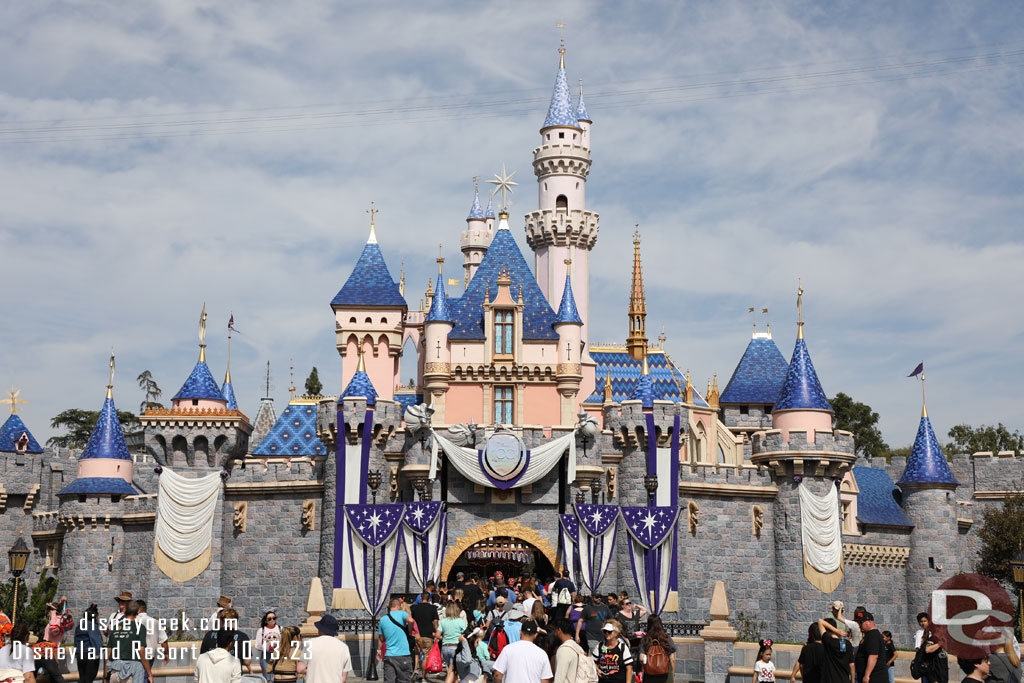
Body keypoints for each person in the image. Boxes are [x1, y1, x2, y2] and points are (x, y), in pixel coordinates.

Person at [104, 600, 154, 683]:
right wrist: (149, 674)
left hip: (115, 672)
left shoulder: (116, 627)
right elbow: (141, 651)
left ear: (125, 611)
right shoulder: (140, 628)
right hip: (131, 674)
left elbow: (108, 653)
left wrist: (106, 677)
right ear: (138, 612)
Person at [297, 615, 353, 683]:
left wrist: (311, 671)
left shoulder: (309, 643)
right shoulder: (344, 648)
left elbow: (300, 669)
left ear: (320, 629)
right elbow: (343, 679)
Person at [379, 597, 414, 683]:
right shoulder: (402, 613)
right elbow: (411, 620)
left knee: (389, 680)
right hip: (403, 655)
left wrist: (378, 650)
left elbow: (381, 638)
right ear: (398, 606)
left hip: (389, 655)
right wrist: (409, 631)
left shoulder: (383, 619)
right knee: (404, 680)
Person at [639, 615, 676, 683]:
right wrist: (673, 674)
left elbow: (641, 658)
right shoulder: (666, 639)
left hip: (649, 676)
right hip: (666, 676)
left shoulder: (645, 639)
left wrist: (648, 666)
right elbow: (672, 659)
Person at [818, 617, 856, 683]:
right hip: (844, 679)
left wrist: (836, 631)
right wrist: (853, 681)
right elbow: (852, 665)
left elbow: (820, 621)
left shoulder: (828, 641)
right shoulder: (846, 643)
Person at [411, 591, 439, 677]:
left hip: (417, 634)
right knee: (426, 656)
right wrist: (437, 634)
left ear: (421, 598)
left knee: (417, 653)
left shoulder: (414, 608)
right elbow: (435, 622)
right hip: (428, 635)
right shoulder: (433, 608)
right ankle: (423, 676)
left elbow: (411, 621)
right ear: (429, 599)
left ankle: (415, 669)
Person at [74, 604, 105, 683]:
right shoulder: (92, 626)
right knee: (89, 679)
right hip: (90, 656)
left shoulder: (79, 625)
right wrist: (98, 654)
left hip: (80, 655)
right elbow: (96, 641)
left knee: (82, 678)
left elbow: (76, 640)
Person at [855, 612, 889, 683]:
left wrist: (867, 675)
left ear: (869, 622)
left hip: (874, 677)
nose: (859, 625)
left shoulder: (873, 635)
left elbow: (873, 656)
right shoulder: (869, 635)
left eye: (861, 622)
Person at [552, 618, 588, 683]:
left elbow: (559, 677)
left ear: (559, 630)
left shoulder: (564, 649)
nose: (555, 633)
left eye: (555, 630)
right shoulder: (578, 647)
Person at [136, 600, 169, 668]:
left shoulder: (132, 621)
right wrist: (166, 654)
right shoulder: (156, 622)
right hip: (149, 655)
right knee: (146, 675)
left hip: (135, 656)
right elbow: (164, 641)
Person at [439, 602, 468, 671]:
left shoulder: (443, 621)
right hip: (455, 646)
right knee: (454, 669)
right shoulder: (460, 621)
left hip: (445, 647)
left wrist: (444, 637)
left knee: (449, 667)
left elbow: (438, 635)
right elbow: (465, 631)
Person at [254, 609, 281, 682]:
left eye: (274, 618)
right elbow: (258, 645)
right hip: (266, 656)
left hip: (277, 655)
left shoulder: (280, 629)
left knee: (277, 678)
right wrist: (267, 647)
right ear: (266, 620)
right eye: (269, 619)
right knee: (268, 679)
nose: (272, 620)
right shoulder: (261, 630)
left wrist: (277, 646)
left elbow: (284, 642)